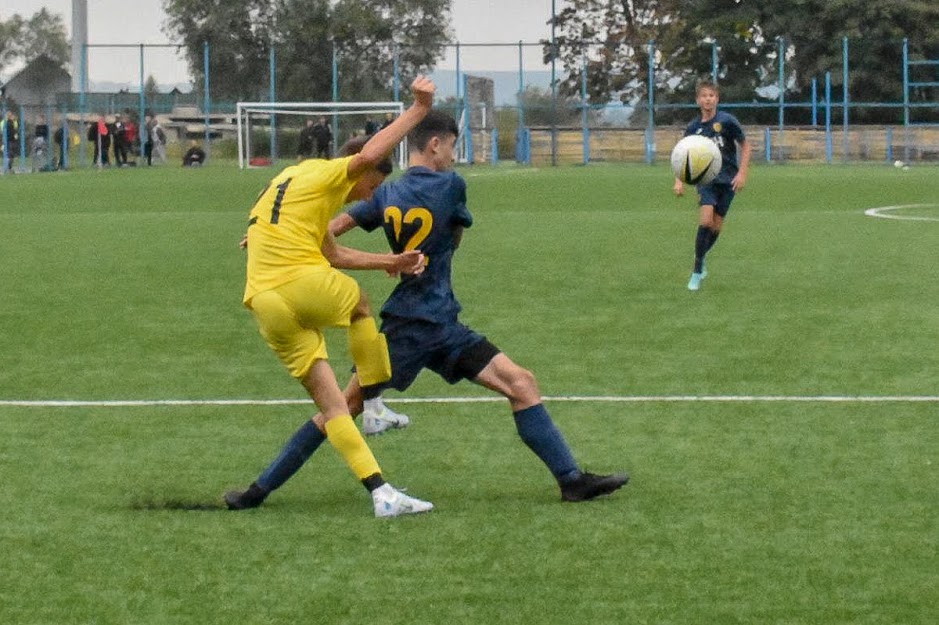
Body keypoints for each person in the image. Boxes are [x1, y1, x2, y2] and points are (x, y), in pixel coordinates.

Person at [223, 109, 629, 512]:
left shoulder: (384, 193)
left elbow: (329, 228)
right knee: (339, 409)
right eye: (452, 146)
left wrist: (267, 232)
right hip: (411, 327)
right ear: (435, 144)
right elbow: (456, 233)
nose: (453, 155)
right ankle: (258, 490)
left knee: (520, 382)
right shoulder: (450, 185)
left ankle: (571, 480)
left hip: (441, 321)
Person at [224, 76, 439, 518]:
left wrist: (389, 262)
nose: (371, 195)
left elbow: (332, 253)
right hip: (295, 282)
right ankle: (376, 406)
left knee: (334, 406)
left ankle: (381, 494)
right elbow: (370, 155)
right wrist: (418, 110)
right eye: (374, 186)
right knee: (359, 303)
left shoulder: (293, 181)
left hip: (264, 302)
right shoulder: (328, 173)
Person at [673, 79, 751, 291]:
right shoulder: (694, 127)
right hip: (706, 181)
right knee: (706, 221)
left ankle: (702, 255)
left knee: (716, 226)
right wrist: (679, 180)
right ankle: (697, 270)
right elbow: (682, 155)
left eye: (712, 96)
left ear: (717, 99)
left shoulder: (727, 121)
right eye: (704, 96)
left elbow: (745, 146)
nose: (708, 99)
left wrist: (742, 173)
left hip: (728, 180)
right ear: (698, 100)